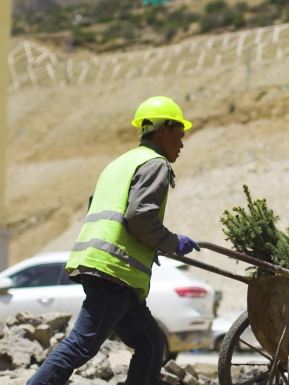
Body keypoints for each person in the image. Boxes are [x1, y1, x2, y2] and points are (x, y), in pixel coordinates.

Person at [28, 96, 200, 385]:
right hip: (113, 271)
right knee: (81, 345)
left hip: (106, 267)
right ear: (163, 131)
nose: (181, 144)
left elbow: (106, 212)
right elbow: (139, 216)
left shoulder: (119, 164)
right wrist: (170, 242)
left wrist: (148, 244)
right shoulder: (154, 163)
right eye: (179, 135)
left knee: (151, 343)